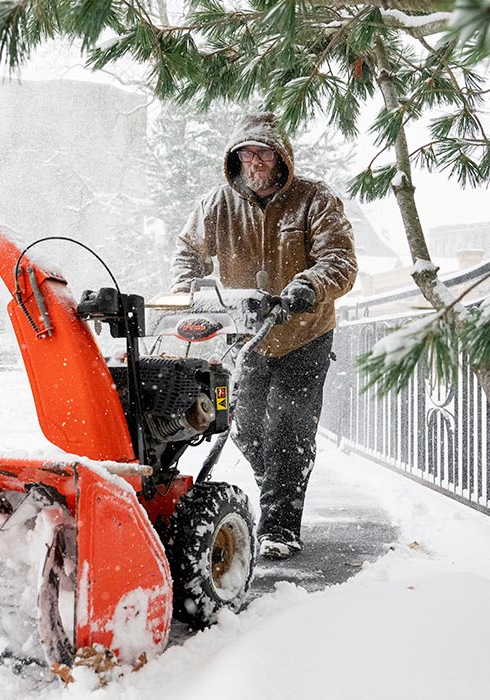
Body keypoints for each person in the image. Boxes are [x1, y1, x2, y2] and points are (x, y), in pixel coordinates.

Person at [171, 112, 358, 559]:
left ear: (281, 157)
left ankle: (279, 526)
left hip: (304, 333)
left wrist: (309, 286)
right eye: (246, 154)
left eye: (264, 153)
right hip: (246, 335)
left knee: (290, 427)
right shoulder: (217, 205)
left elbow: (340, 260)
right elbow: (188, 252)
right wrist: (189, 292)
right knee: (245, 424)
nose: (255, 162)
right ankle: (276, 479)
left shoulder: (314, 200)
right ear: (235, 159)